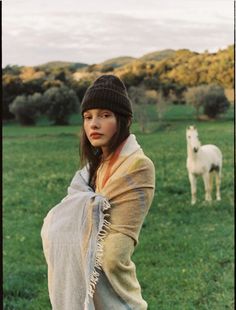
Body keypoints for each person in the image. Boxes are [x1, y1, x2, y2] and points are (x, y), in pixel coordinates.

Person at [41, 74, 155, 310]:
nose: (94, 124)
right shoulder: (91, 171)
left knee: (111, 256)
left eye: (105, 115)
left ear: (124, 120)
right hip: (87, 297)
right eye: (88, 117)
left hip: (119, 299)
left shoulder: (138, 166)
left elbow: (114, 255)